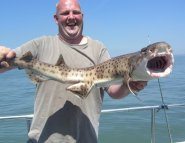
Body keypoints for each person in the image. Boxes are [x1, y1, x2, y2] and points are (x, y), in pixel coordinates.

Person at [0, 0, 147, 142]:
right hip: (43, 139)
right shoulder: (40, 44)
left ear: (82, 16)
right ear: (56, 19)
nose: (71, 17)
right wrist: (3, 55)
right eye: (65, 13)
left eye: (75, 12)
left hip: (85, 139)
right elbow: (8, 61)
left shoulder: (98, 48)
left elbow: (114, 91)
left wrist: (129, 86)